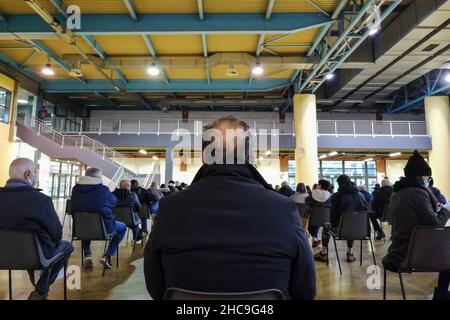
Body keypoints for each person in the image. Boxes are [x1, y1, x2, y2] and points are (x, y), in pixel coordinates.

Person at [144, 116, 316, 300]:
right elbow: (305, 290)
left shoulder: (170, 207)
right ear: (250, 157)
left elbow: (155, 287)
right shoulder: (284, 208)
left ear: (204, 156)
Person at [0, 158, 74, 300]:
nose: (35, 177)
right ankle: (40, 291)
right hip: (34, 256)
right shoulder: (41, 200)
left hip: (2, 254)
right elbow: (56, 233)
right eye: (34, 173)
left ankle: (40, 288)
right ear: (28, 174)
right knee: (66, 247)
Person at [382, 150, 450, 300]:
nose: (428, 179)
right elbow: (434, 224)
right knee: (448, 256)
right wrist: (445, 211)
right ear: (421, 176)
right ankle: (441, 296)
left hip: (399, 251)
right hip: (415, 254)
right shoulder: (419, 193)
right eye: (427, 176)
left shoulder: (396, 193)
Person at [71, 167, 126, 269]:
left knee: (86, 225)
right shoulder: (103, 190)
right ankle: (108, 256)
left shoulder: (75, 189)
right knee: (122, 227)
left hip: (80, 229)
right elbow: (114, 202)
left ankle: (87, 255)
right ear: (97, 177)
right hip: (104, 228)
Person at [315, 174, 367, 263]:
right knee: (351, 225)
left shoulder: (337, 196)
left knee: (326, 225)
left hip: (341, 230)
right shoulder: (361, 195)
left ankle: (323, 253)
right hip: (360, 230)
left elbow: (333, 216)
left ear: (339, 184)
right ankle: (350, 253)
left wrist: (335, 224)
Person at [305, 179, 332, 248]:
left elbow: (307, 201)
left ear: (320, 185)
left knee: (311, 222)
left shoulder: (313, 194)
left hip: (313, 219)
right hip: (327, 220)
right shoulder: (330, 196)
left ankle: (314, 239)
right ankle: (324, 245)